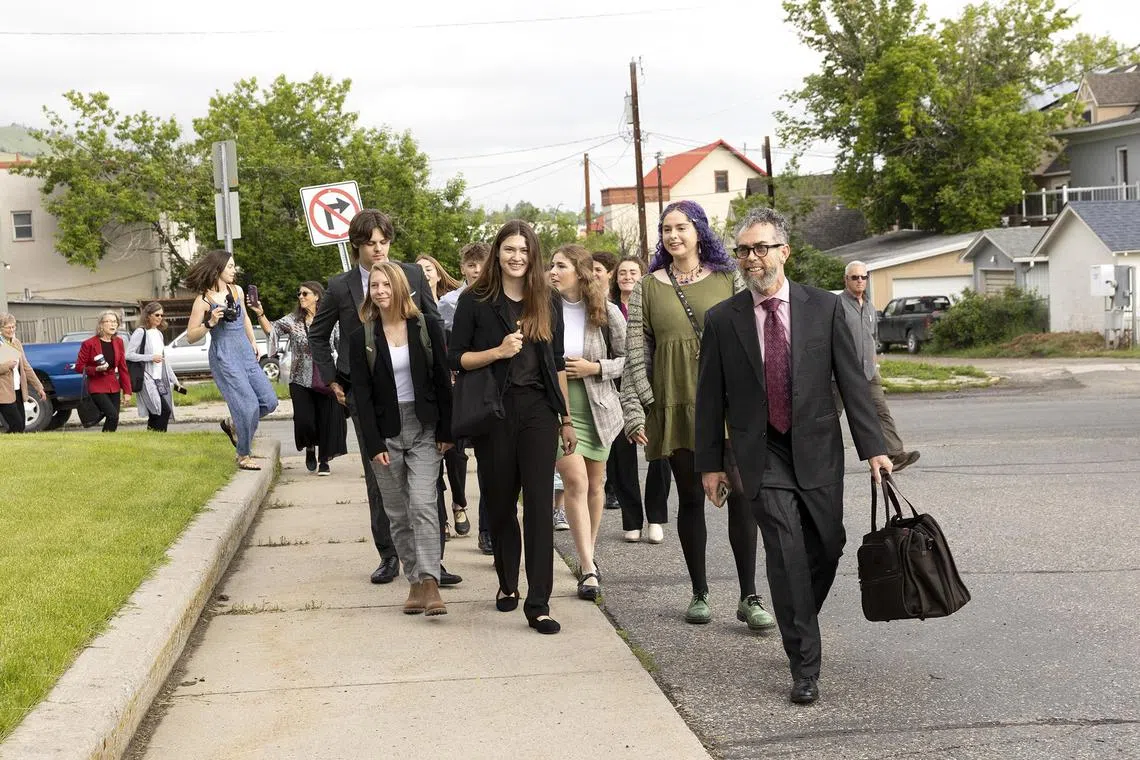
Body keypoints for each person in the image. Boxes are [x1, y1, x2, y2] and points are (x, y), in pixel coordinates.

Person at [695, 207, 892, 705]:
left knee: (828, 545)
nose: (751, 258)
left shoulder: (824, 307)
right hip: (761, 455)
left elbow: (853, 380)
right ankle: (804, 662)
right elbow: (709, 396)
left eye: (761, 248)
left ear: (785, 251)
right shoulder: (723, 319)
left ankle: (797, 613)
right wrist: (711, 464)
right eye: (743, 250)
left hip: (818, 448)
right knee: (784, 551)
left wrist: (875, 449)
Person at [620, 199, 772, 632]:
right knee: (689, 497)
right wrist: (641, 405)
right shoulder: (648, 286)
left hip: (728, 406)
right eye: (666, 229)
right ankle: (700, 591)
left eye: (681, 228)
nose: (673, 236)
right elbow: (636, 351)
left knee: (742, 495)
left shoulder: (729, 279)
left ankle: (748, 595)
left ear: (699, 231)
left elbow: (752, 338)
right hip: (675, 403)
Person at [309, 209, 460, 587]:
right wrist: (333, 381)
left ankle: (432, 562)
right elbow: (318, 335)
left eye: (383, 242)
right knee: (382, 480)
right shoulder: (341, 286)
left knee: (428, 486)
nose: (378, 250)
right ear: (356, 245)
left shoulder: (410, 275)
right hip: (365, 395)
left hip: (416, 391)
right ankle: (389, 555)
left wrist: (445, 371)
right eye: (369, 243)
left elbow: (432, 321)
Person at [448, 220, 577, 635]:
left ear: (532, 254)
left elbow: (556, 363)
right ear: (497, 254)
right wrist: (497, 351)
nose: (516, 257)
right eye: (509, 249)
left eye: (524, 250)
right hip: (494, 412)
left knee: (539, 505)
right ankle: (507, 582)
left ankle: (539, 602)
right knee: (501, 503)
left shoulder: (547, 300)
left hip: (539, 411)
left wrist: (566, 417)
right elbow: (458, 359)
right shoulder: (475, 300)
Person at [350, 262, 454, 617]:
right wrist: (374, 443)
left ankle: (430, 582)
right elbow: (360, 395)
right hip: (385, 433)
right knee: (397, 512)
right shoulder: (361, 335)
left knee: (424, 504)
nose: (379, 291)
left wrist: (446, 431)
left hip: (424, 426)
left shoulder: (425, 326)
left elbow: (442, 379)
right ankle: (414, 581)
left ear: (399, 288)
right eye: (374, 286)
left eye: (385, 285)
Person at [549, 244, 626, 601]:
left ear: (579, 273)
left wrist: (595, 367)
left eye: (560, 266)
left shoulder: (606, 311)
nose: (552, 271)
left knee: (596, 485)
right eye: (551, 265)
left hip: (599, 405)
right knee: (575, 481)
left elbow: (632, 360)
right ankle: (589, 565)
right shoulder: (544, 309)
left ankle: (587, 558)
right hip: (557, 407)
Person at [184, 250, 279, 470]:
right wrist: (210, 323)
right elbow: (190, 336)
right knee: (248, 406)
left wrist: (253, 342)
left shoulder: (236, 290)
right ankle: (243, 454)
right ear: (218, 269)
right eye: (230, 267)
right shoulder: (204, 301)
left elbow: (244, 317)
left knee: (269, 401)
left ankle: (233, 423)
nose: (233, 270)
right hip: (224, 355)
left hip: (245, 351)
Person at [250, 282, 348, 475]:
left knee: (326, 419)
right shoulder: (293, 320)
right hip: (299, 378)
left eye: (305, 293)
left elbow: (340, 345)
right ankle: (310, 446)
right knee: (305, 420)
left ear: (317, 296)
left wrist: (344, 375)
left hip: (326, 377)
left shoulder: (330, 319)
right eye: (299, 294)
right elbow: (272, 331)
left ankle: (324, 461)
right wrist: (260, 313)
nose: (301, 297)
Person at [606, 256, 671, 543]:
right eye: (622, 272)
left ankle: (656, 517)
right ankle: (631, 519)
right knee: (622, 457)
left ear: (643, 276)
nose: (627, 276)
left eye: (633, 271)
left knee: (660, 452)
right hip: (616, 388)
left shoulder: (655, 303)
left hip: (654, 383)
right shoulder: (607, 309)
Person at [840, 261, 921, 471]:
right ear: (846, 280)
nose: (859, 281)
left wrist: (875, 365)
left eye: (863, 277)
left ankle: (895, 454)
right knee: (828, 417)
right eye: (854, 277)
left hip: (868, 372)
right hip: (841, 373)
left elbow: (871, 337)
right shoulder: (837, 306)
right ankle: (811, 458)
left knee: (881, 411)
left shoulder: (869, 307)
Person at [439, 242, 492, 553]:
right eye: (471, 264)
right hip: (458, 386)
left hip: (486, 388)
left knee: (489, 461)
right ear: (462, 268)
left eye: (482, 264)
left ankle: (488, 529)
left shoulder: (500, 297)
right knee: (455, 455)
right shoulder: (449, 303)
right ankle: (458, 503)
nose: (476, 270)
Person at [416, 253, 470, 539]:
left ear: (438, 274)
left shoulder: (453, 304)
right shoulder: (411, 309)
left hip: (455, 390)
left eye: (428, 269)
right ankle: (440, 519)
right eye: (419, 270)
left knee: (456, 454)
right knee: (430, 458)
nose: (424, 274)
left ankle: (460, 502)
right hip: (426, 393)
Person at [126, 302, 184, 432]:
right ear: (148, 316)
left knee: (157, 412)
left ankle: (153, 440)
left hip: (159, 379)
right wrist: (150, 357)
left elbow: (164, 360)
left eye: (161, 315)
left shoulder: (158, 334)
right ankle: (158, 439)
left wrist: (175, 380)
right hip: (146, 377)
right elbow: (129, 355)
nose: (160, 318)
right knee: (162, 411)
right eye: (156, 315)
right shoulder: (140, 332)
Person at [74, 312, 133, 432]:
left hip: (113, 385)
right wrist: (96, 369)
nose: (113, 324)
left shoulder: (118, 342)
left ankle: (108, 442)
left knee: (114, 418)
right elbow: (79, 367)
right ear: (101, 325)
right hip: (96, 385)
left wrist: (127, 391)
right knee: (112, 415)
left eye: (115, 322)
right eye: (109, 321)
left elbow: (123, 368)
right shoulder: (89, 343)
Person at [0, 312, 47, 433]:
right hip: (3, 391)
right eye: (8, 327)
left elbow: (26, 367)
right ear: (1, 328)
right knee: (16, 425)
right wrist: (6, 366)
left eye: (13, 326)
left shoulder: (16, 343)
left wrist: (39, 387)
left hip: (17, 390)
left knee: (20, 425)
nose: (11, 330)